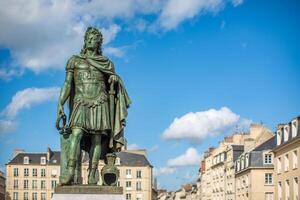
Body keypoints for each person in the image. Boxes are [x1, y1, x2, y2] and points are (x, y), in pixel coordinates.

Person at [56, 27, 131, 185]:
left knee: (97, 140)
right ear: (85, 40)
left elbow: (113, 79)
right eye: (88, 38)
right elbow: (67, 84)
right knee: (76, 134)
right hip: (80, 100)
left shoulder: (106, 63)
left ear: (99, 43)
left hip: (100, 100)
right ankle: (70, 171)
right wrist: (60, 103)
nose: (90, 40)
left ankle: (92, 173)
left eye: (94, 39)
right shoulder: (74, 60)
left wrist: (114, 80)